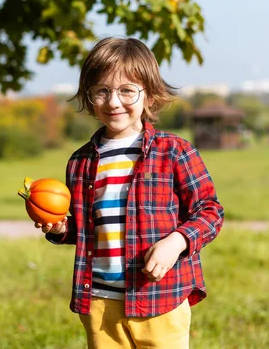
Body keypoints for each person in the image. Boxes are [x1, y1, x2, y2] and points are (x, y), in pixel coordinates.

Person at [35, 37, 224, 349]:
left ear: (148, 93)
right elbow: (87, 229)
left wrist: (176, 242)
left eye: (126, 90)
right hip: (99, 302)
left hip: (160, 298)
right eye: (102, 90)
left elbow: (210, 211)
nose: (113, 101)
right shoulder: (80, 162)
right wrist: (59, 228)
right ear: (89, 96)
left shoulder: (173, 152)